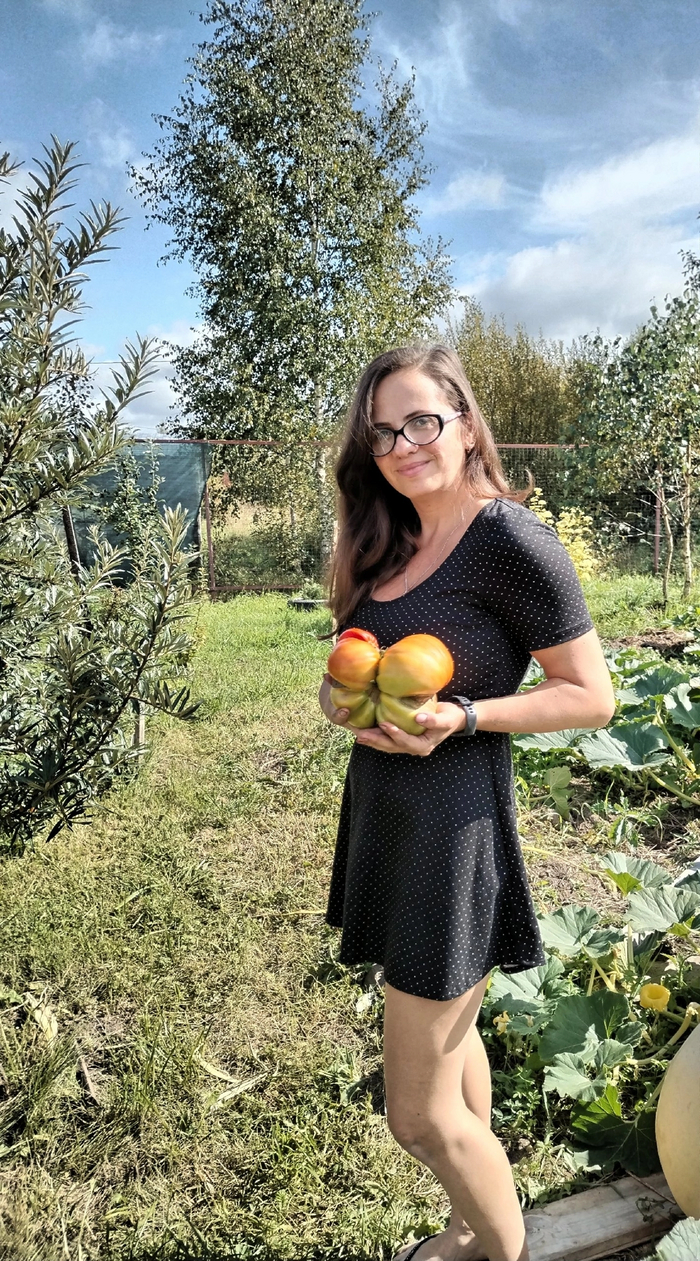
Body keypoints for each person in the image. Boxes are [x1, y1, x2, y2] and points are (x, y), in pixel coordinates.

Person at [318, 344, 615, 1261]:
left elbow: (591, 695)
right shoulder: (387, 539)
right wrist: (341, 697)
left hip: (454, 836)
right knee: (454, 1050)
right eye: (382, 432)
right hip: (389, 821)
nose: (401, 445)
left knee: (416, 1115)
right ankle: (469, 1225)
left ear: (466, 422)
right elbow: (354, 665)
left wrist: (470, 715)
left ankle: (503, 1249)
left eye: (421, 420)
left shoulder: (511, 540)